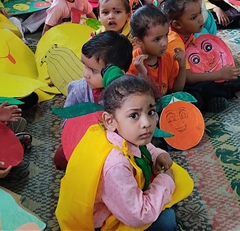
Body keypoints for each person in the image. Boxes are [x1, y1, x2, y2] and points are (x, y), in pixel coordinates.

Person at [56, 75, 186, 230]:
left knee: (167, 196)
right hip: (101, 222)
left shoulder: (114, 133)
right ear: (110, 121)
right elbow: (139, 216)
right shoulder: (115, 165)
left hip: (113, 206)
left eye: (151, 112)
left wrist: (156, 153)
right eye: (134, 115)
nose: (146, 123)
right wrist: (165, 181)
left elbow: (141, 147)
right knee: (166, 221)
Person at [53, 31, 133, 169]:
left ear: (117, 72)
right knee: (60, 158)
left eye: (93, 71)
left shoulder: (128, 92)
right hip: (85, 140)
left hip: (116, 142)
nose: (86, 74)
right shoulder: (79, 89)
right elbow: (68, 120)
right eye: (85, 66)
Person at [162, 0, 240, 113]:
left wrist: (219, 68)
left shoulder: (188, 33)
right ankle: (214, 98)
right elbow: (188, 78)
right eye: (193, 17)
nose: (200, 19)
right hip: (175, 86)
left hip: (188, 76)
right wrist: (219, 74)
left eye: (200, 12)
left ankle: (220, 92)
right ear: (177, 24)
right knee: (198, 96)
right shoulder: (174, 42)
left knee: (238, 80)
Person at [127, 5, 186, 97]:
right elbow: (136, 99)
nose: (164, 43)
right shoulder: (131, 63)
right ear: (138, 41)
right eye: (157, 39)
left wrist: (182, 66)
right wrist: (142, 74)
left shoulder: (168, 58)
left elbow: (176, 91)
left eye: (166, 35)